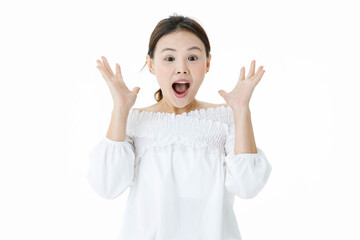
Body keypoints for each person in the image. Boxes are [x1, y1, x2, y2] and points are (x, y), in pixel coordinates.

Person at [87, 13, 272, 240]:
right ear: (151, 65)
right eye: (169, 58)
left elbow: (248, 185)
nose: (182, 68)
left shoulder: (225, 118)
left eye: (192, 58)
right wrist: (120, 108)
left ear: (207, 64)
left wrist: (242, 110)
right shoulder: (133, 121)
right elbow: (107, 185)